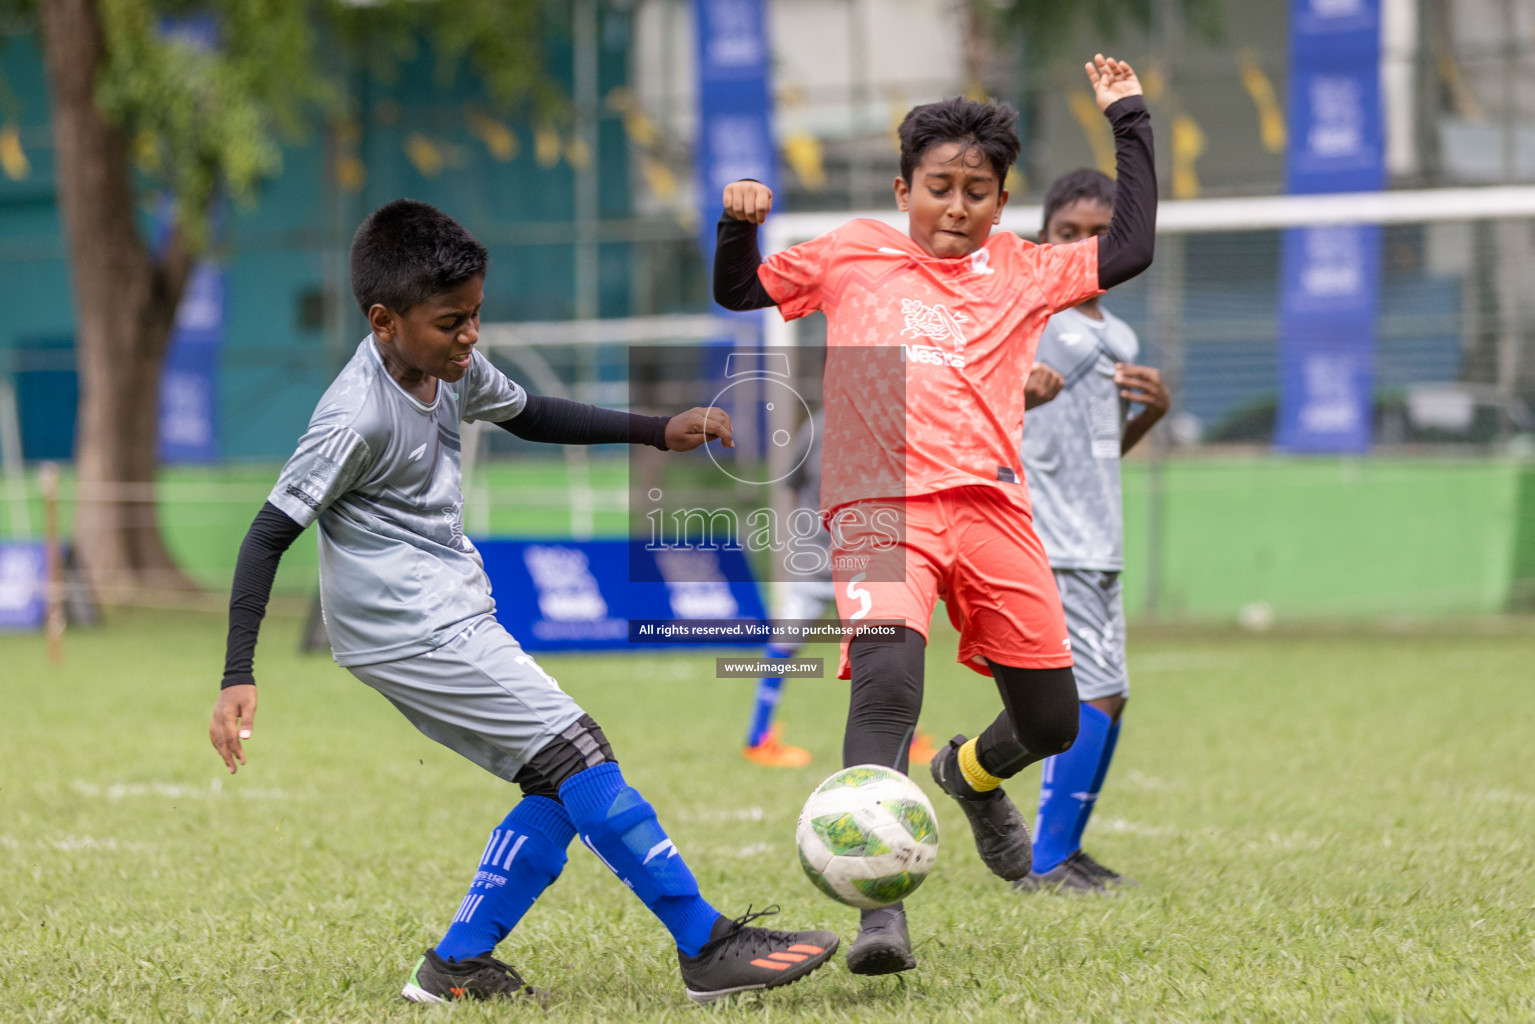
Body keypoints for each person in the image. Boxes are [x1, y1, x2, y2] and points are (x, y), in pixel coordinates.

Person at [208, 199, 838, 1006]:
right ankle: (706, 944)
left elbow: (532, 413)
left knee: (556, 780)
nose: (470, 335)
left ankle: (455, 967)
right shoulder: (353, 416)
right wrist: (237, 674)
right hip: (410, 628)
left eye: (475, 315)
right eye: (451, 322)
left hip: (440, 615)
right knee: (581, 754)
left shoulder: (447, 370)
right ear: (384, 320)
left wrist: (657, 429)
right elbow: (266, 534)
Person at [713, 55, 1156, 973]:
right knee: (884, 689)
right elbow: (739, 291)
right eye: (939, 187)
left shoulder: (1024, 270)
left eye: (977, 192)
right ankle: (881, 915)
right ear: (902, 187)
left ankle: (968, 775)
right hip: (876, 503)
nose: (956, 207)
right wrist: (735, 225)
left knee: (1050, 725)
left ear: (1001, 202)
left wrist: (1129, 122)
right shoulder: (849, 254)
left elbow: (1130, 249)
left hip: (992, 507)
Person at [1016, 169, 1169, 893]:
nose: (1081, 248)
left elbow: (1101, 448)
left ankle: (1063, 848)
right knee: (1096, 693)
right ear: (1042, 240)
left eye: (1097, 236)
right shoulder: (1035, 321)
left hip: (1098, 534)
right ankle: (1045, 859)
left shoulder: (1121, 334)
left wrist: (1149, 415)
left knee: (1113, 693)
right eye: (1065, 234)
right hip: (1054, 537)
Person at [740, 408, 938, 769]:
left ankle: (909, 736)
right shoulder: (872, 425)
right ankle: (757, 738)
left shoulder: (819, 425)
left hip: (844, 560)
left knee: (883, 649)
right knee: (882, 646)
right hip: (835, 560)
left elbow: (792, 487)